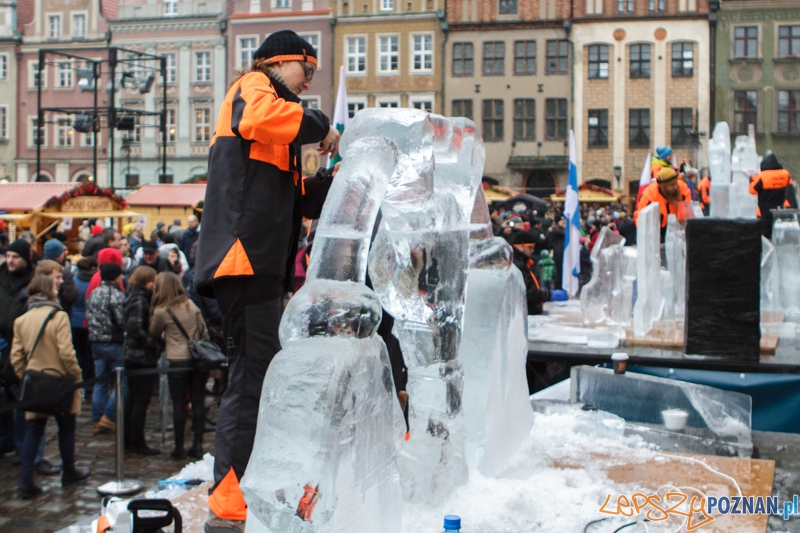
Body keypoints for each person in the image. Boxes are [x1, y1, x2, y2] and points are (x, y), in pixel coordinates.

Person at [194, 29, 341, 529]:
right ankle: (229, 499)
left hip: (260, 265)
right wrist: (320, 124)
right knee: (252, 376)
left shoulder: (279, 125)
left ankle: (245, 484)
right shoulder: (254, 86)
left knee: (260, 375)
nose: (308, 82)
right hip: (242, 258)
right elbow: (262, 118)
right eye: (307, 70)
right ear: (282, 61)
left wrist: (335, 182)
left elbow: (297, 202)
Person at [11, 275, 90, 498]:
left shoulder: (22, 320)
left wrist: (28, 375)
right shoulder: (59, 317)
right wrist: (76, 375)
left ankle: (27, 479)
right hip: (61, 381)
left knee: (34, 430)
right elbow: (67, 352)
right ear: (48, 291)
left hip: (36, 382)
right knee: (66, 426)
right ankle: (69, 470)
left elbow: (17, 357)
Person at [150, 272, 210, 460]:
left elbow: (154, 333)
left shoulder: (162, 312)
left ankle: (179, 447)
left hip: (177, 359)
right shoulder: (191, 305)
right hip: (198, 359)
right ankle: (198, 445)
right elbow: (204, 332)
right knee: (198, 401)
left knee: (178, 404)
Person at [121, 266, 161, 455]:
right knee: (140, 400)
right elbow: (135, 327)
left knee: (133, 398)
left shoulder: (133, 296)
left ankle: (129, 439)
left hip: (134, 355)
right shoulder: (140, 300)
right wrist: (151, 342)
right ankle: (136, 440)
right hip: (140, 357)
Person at [86, 262, 126, 434]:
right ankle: (109, 415)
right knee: (123, 380)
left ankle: (97, 418)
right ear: (115, 277)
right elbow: (122, 321)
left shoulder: (93, 293)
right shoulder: (115, 295)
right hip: (112, 342)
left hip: (95, 341)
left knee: (100, 382)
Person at [635, 167, 692, 241]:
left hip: (679, 229)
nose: (675, 187)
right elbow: (640, 218)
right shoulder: (648, 195)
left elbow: (689, 210)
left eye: (676, 183)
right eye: (672, 185)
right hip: (657, 233)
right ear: (663, 187)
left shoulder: (682, 188)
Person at [511, 231, 561, 315]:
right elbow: (528, 293)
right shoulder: (518, 266)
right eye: (530, 247)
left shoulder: (522, 263)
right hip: (527, 314)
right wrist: (548, 295)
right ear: (522, 246)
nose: (532, 250)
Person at [750, 152, 796, 239]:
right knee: (778, 235)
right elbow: (789, 189)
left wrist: (752, 179)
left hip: (764, 212)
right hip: (779, 211)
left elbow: (752, 190)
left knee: (765, 236)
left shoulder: (762, 176)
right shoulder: (785, 174)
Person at [70, 257, 97, 400]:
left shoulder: (74, 281)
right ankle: (90, 385)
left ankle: (81, 383)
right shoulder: (94, 283)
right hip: (88, 323)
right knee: (89, 356)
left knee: (79, 354)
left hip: (74, 322)